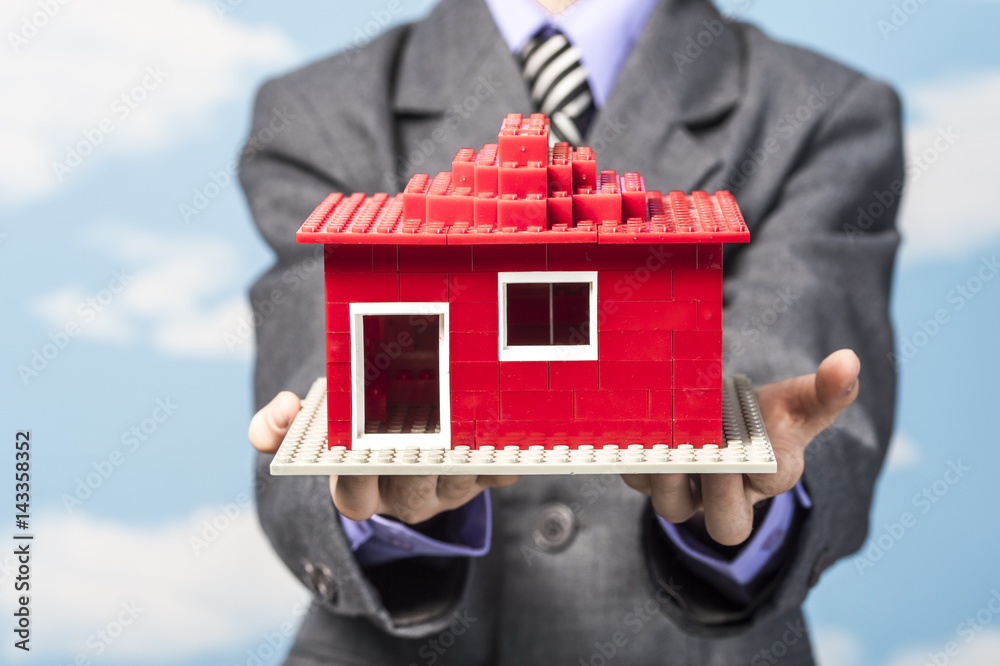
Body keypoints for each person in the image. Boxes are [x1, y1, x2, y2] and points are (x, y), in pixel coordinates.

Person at [240, 0, 902, 663]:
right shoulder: (315, 110)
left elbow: (795, 383)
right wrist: (382, 510)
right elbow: (315, 366)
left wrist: (745, 488)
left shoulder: (822, 110)